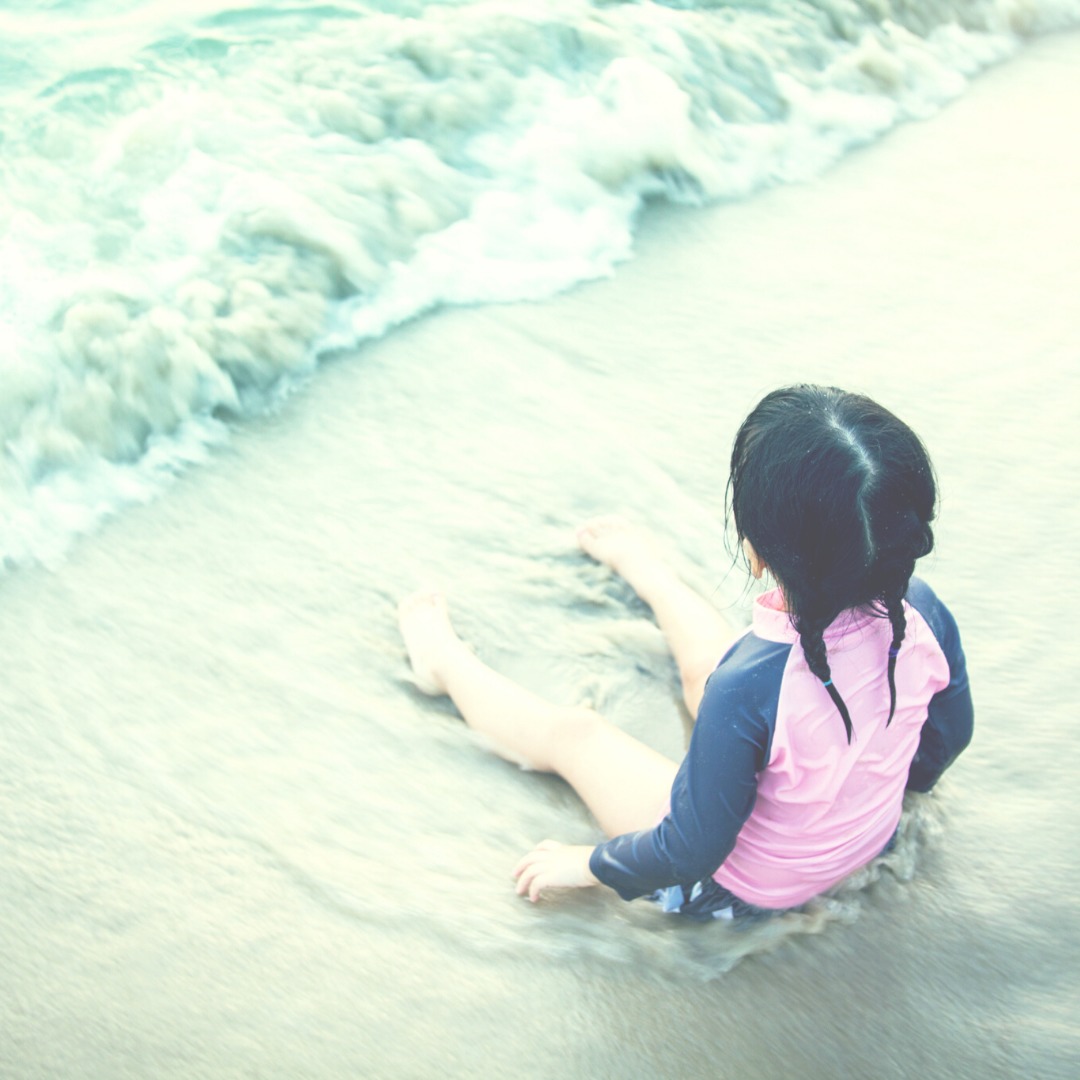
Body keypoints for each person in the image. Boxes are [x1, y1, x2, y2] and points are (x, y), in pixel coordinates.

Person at [397, 385, 973, 920]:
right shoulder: (922, 610)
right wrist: (871, 796)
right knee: (718, 674)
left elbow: (690, 850)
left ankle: (443, 664)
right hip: (871, 839)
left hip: (737, 891)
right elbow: (947, 739)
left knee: (578, 733)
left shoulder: (750, 685)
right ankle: (649, 573)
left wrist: (589, 864)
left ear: (755, 554)